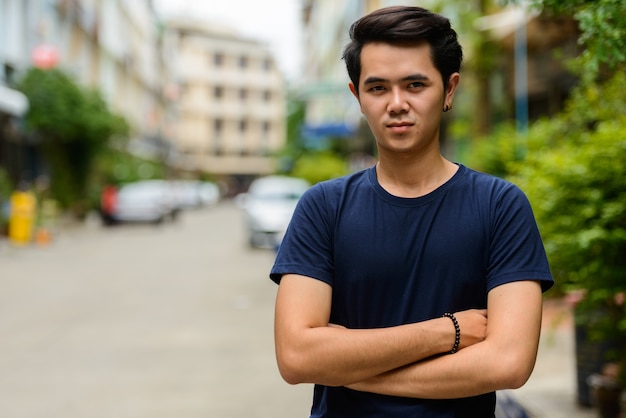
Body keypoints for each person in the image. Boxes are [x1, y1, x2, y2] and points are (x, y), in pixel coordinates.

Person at [270, 6, 554, 417]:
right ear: (357, 97)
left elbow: (507, 363)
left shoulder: (500, 206)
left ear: (449, 89)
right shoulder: (323, 207)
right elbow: (297, 357)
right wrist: (449, 331)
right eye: (378, 88)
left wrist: (348, 367)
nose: (397, 103)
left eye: (415, 84)